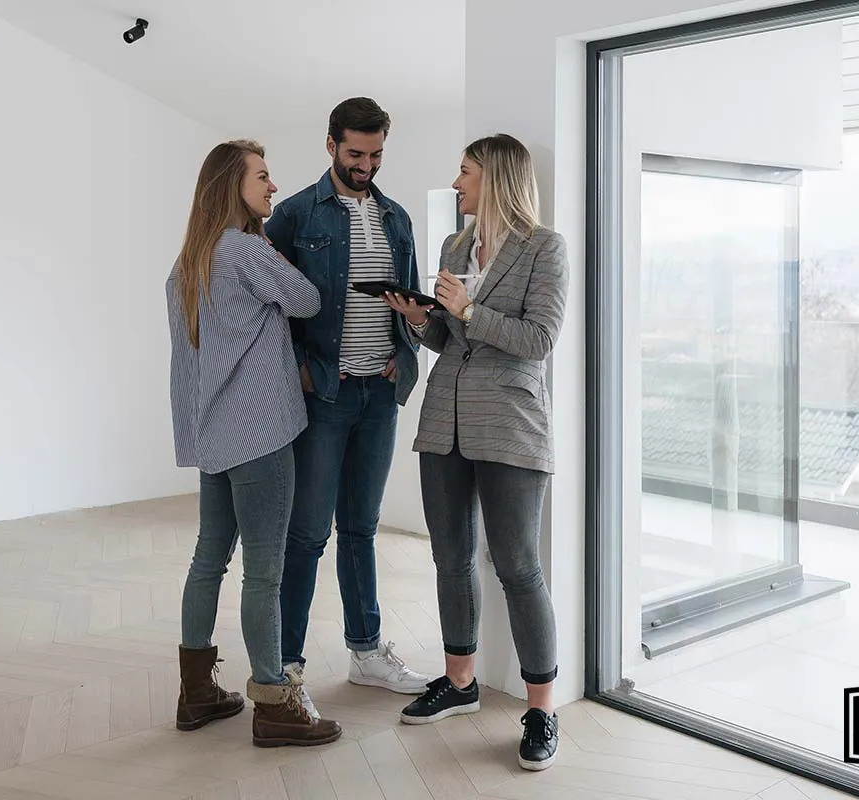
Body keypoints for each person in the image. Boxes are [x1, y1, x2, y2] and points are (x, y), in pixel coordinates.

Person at [384, 133, 569, 771]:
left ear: (495, 178)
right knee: (450, 557)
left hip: (512, 423)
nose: (456, 183)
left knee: (518, 565)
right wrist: (418, 317)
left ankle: (542, 709)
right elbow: (447, 335)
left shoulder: (546, 247)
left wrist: (469, 307)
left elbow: (539, 338)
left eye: (465, 173)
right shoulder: (455, 245)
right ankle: (459, 682)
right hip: (445, 422)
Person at [166, 139, 342, 748]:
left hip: (213, 434)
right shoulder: (246, 250)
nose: (272, 187)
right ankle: (274, 701)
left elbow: (187, 362)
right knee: (264, 574)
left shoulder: (186, 264)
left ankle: (196, 692)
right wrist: (277, 257)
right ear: (230, 187)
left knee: (208, 559)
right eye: (262, 177)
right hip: (262, 434)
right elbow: (308, 299)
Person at [264, 98, 430, 699]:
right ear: (330, 144)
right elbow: (267, 305)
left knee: (361, 527)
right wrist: (300, 372)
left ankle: (366, 652)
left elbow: (410, 307)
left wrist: (408, 338)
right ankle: (284, 667)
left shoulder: (398, 219)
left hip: (378, 394)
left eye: (377, 154)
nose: (366, 165)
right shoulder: (293, 215)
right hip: (324, 396)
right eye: (356, 153)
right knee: (306, 533)